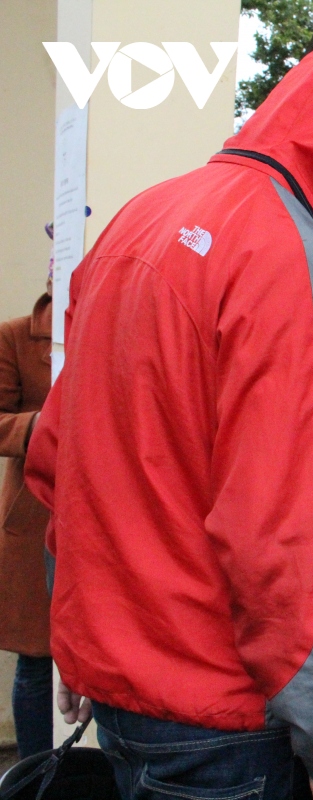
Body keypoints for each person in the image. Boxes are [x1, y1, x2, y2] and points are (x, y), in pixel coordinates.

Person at [23, 42, 313, 800]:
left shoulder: (142, 215)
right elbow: (287, 532)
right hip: (217, 717)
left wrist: (74, 642)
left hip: (123, 684)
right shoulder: (283, 253)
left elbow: (62, 458)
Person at [0, 266, 52, 759]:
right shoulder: (15, 336)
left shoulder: (107, 326)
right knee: (36, 660)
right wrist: (40, 426)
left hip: (102, 519)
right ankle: (34, 775)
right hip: (34, 516)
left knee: (107, 653)